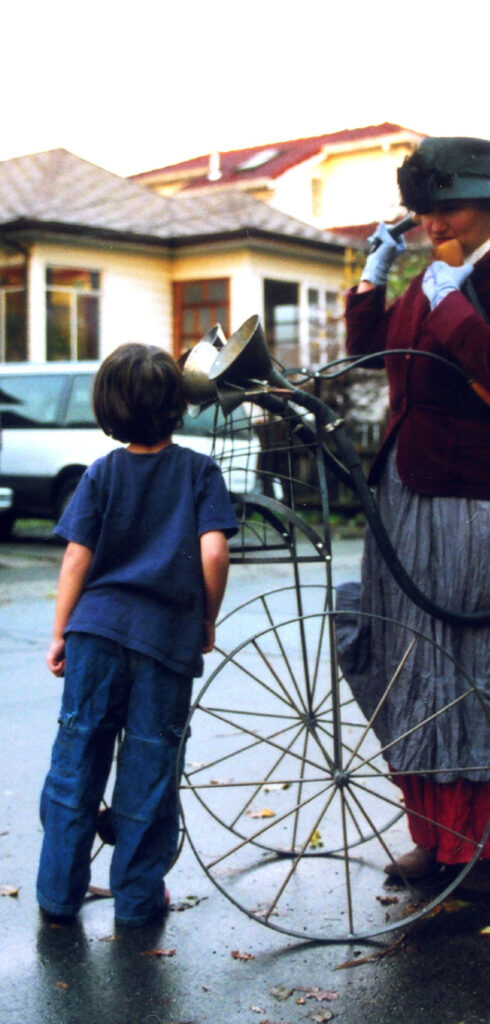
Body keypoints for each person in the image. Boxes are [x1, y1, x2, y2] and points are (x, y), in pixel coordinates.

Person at [341, 137, 490, 892]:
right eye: (424, 211)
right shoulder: (435, 274)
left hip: (487, 500)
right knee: (417, 668)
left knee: (488, 669)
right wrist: (374, 281)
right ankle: (442, 837)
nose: (433, 221)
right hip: (412, 491)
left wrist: (445, 296)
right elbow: (379, 360)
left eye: (447, 207)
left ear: (488, 205)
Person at [36, 343, 237, 927]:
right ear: (178, 405)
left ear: (109, 407)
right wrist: (205, 617)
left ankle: (57, 895)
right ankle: (139, 901)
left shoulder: (102, 473)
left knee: (76, 761)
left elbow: (77, 558)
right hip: (166, 641)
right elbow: (215, 552)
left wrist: (61, 633)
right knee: (149, 771)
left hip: (95, 635)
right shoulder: (200, 471)